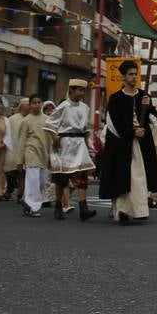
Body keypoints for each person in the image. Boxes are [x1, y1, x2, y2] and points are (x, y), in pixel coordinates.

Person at [99, 63, 155, 225]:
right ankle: (122, 211)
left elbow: (154, 119)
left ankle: (139, 210)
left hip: (140, 145)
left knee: (138, 177)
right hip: (121, 145)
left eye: (135, 74)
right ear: (123, 77)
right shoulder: (116, 98)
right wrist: (131, 132)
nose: (134, 77)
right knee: (123, 176)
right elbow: (112, 124)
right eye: (130, 74)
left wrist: (148, 106)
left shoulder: (143, 96)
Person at [48, 80, 98, 221]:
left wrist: (89, 145)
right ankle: (58, 207)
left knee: (81, 177)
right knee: (61, 178)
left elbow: (86, 128)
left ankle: (84, 209)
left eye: (83, 90)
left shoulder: (85, 107)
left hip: (79, 143)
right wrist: (55, 138)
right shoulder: (63, 106)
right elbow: (49, 124)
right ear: (71, 90)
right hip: (65, 143)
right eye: (79, 90)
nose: (82, 93)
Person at [18, 96, 56, 218]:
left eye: (39, 102)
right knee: (32, 179)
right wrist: (19, 160)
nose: (37, 105)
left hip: (44, 153)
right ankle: (34, 207)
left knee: (40, 182)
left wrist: (52, 157)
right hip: (31, 152)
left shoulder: (48, 120)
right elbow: (21, 141)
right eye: (34, 103)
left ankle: (28, 203)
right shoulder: (26, 121)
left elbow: (51, 140)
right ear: (30, 105)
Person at [3, 97, 34, 202]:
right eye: (27, 105)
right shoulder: (12, 119)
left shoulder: (32, 118)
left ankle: (21, 195)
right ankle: (10, 189)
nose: (29, 107)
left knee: (23, 173)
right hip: (13, 148)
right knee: (10, 172)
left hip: (27, 149)